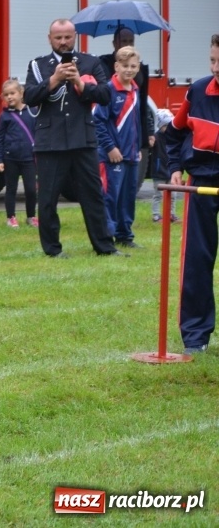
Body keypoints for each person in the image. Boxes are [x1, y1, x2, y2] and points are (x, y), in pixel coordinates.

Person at [23, 19, 124, 258]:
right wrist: (54, 79)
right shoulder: (38, 65)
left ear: (75, 36)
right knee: (47, 199)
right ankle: (53, 249)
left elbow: (105, 95)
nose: (63, 42)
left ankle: (105, 246)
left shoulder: (90, 62)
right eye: (58, 37)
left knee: (93, 196)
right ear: (49, 38)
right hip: (50, 142)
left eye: (67, 37)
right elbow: (29, 97)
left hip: (82, 139)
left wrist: (79, 81)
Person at [165, 33, 219, 355]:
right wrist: (174, 166)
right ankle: (196, 336)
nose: (216, 68)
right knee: (197, 259)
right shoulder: (197, 91)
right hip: (201, 182)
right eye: (213, 60)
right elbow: (174, 133)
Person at [94, 46, 144, 248]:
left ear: (138, 67)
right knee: (110, 197)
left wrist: (137, 147)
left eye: (133, 66)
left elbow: (135, 122)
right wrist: (110, 148)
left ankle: (125, 235)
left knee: (127, 197)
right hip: (112, 156)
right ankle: (108, 236)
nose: (129, 70)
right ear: (116, 67)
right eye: (125, 66)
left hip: (130, 155)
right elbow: (98, 121)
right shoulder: (108, 91)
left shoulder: (135, 89)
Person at [99, 27, 156, 152]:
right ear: (114, 43)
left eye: (131, 41)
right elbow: (99, 117)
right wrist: (109, 147)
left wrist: (149, 131)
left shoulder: (139, 71)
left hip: (132, 138)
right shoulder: (102, 65)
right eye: (124, 41)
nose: (127, 45)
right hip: (112, 135)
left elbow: (142, 102)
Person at [0, 79, 38, 229]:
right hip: (10, 158)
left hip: (29, 158)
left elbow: (38, 134)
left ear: (21, 93)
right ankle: (11, 217)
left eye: (12, 93)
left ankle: (31, 216)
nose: (9, 97)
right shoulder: (4, 116)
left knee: (31, 189)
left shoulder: (32, 112)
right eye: (6, 95)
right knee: (11, 189)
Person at [150, 108, 180, 223]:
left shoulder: (173, 137)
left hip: (171, 172)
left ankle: (171, 214)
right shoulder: (156, 138)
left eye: (170, 125)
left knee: (173, 195)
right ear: (160, 125)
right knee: (158, 195)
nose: (168, 128)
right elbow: (149, 145)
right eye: (166, 126)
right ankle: (156, 215)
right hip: (159, 172)